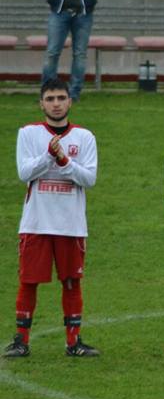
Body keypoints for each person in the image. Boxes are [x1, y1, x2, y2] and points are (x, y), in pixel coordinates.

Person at [4, 79, 99, 358]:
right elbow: (24, 173)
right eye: (50, 98)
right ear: (41, 103)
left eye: (60, 98)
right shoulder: (29, 133)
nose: (56, 103)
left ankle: (73, 342)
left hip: (71, 224)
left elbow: (89, 178)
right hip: (36, 222)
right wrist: (49, 155)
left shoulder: (85, 137)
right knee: (29, 280)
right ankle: (21, 341)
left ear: (70, 101)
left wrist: (63, 162)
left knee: (71, 280)